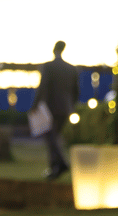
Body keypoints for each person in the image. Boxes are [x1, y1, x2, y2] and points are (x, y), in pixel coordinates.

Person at [33, 41, 79, 181]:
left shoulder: (49, 66)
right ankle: (55, 168)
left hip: (51, 107)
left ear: (54, 50)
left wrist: (35, 105)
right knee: (54, 136)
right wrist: (71, 106)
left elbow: (43, 86)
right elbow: (76, 91)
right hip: (65, 108)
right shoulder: (71, 68)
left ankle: (61, 164)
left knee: (50, 137)